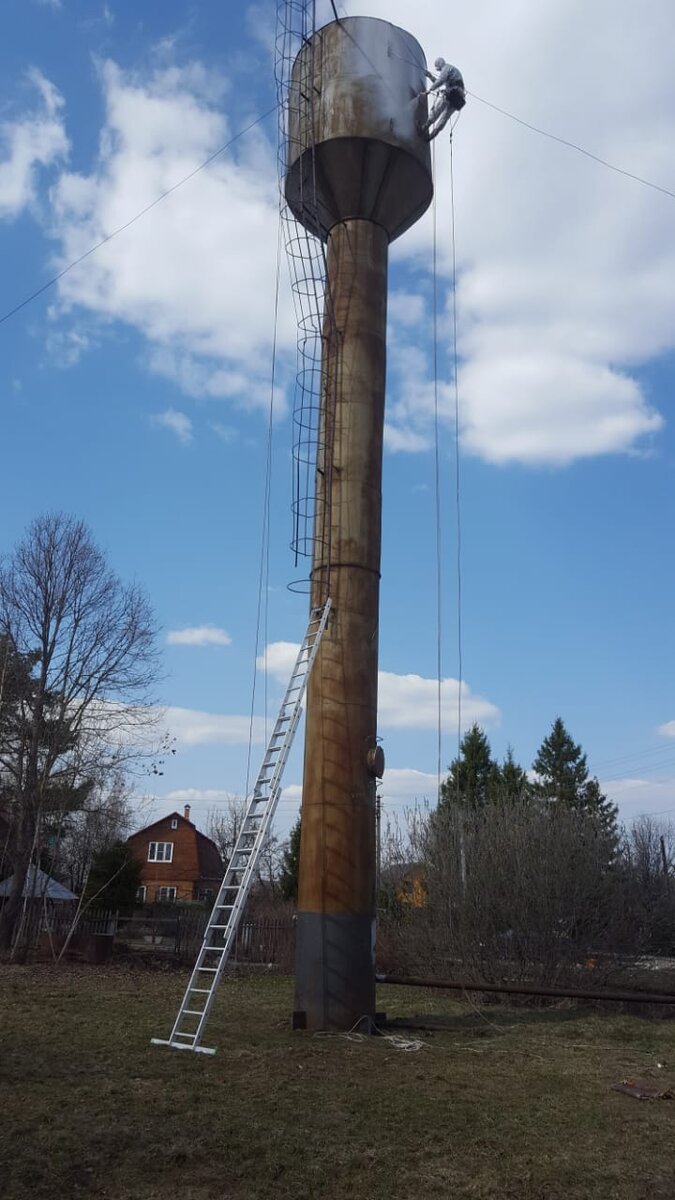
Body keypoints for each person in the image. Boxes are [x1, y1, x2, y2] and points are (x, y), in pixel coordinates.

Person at [419, 58, 466, 141]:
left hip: (452, 93)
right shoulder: (451, 71)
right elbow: (440, 82)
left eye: (438, 68)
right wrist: (430, 76)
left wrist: (429, 90)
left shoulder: (446, 68)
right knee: (445, 117)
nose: (439, 70)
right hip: (458, 97)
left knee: (437, 110)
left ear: (440, 63)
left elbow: (440, 81)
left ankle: (424, 128)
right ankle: (431, 136)